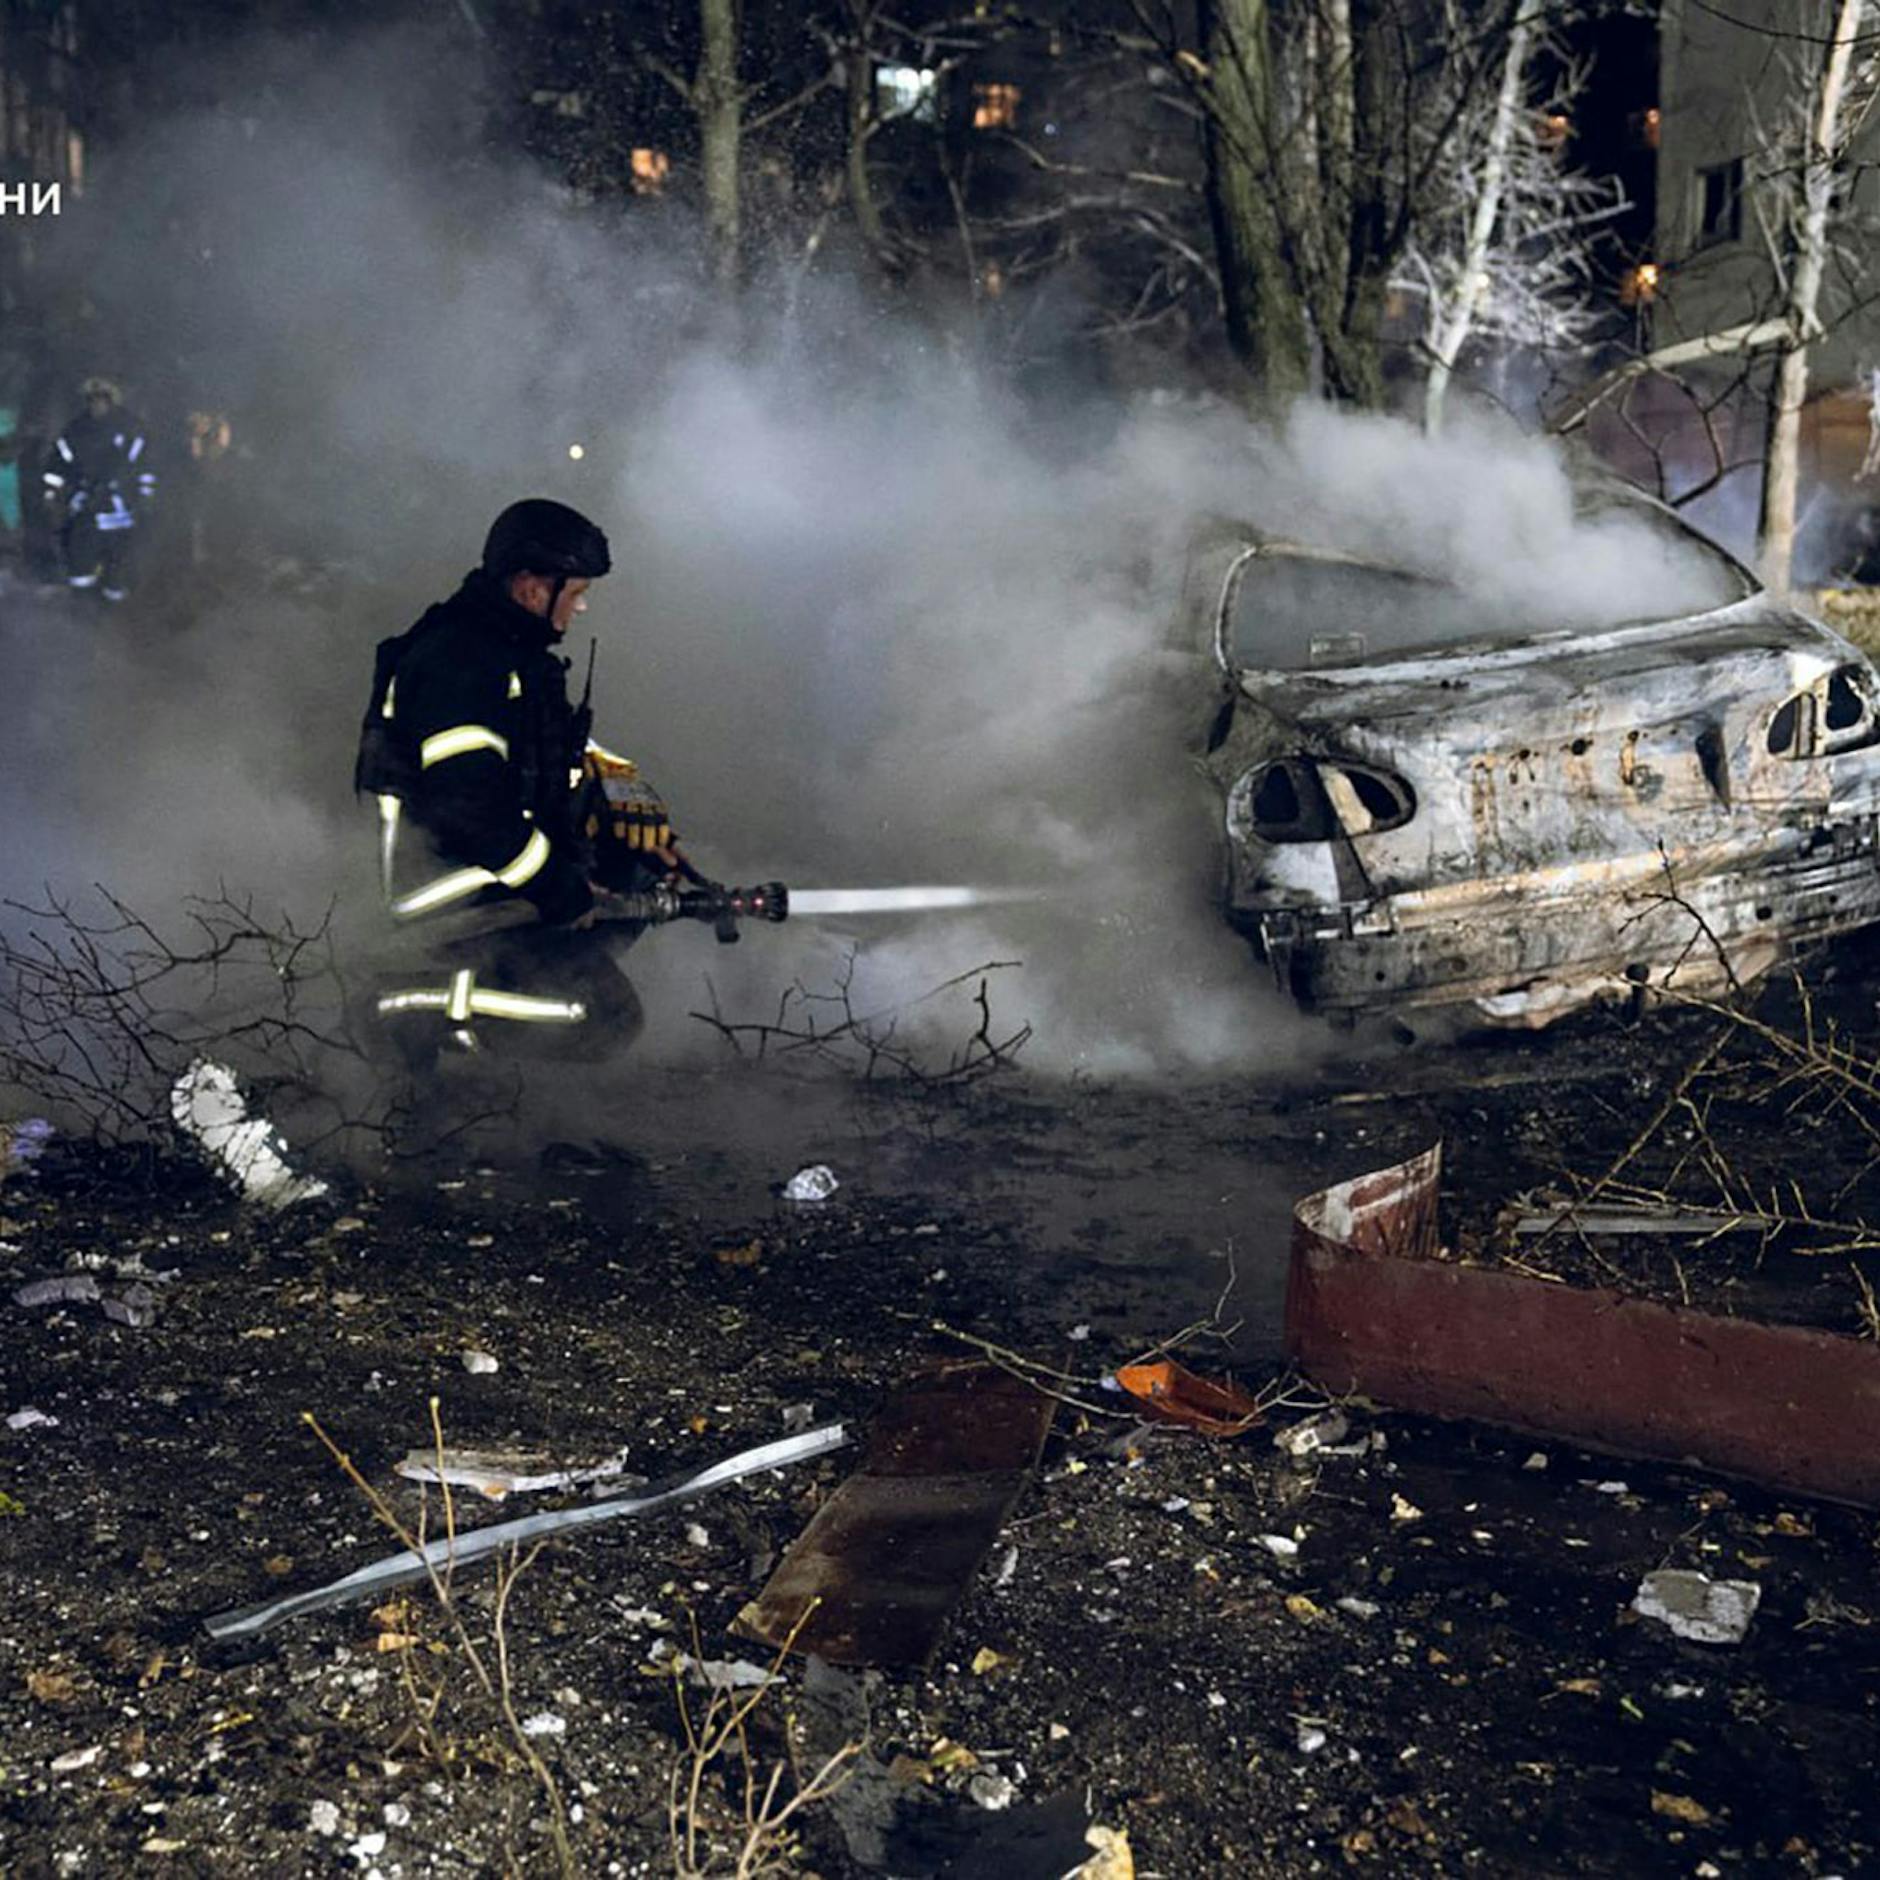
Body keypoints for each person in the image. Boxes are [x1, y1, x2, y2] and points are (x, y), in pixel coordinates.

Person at [355, 498, 682, 1062]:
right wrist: (558, 887)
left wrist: (616, 798)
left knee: (634, 868)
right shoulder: (459, 662)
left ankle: (511, 987)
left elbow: (529, 759)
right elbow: (468, 809)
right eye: (575, 593)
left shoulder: (507, 656)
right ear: (532, 587)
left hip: (488, 874)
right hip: (439, 893)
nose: (579, 609)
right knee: (600, 1017)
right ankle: (403, 1007)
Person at [41, 377, 157, 601]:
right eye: (92, 400)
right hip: (85, 511)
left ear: (111, 401)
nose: (96, 405)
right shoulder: (76, 430)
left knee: (118, 572)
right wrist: (52, 495)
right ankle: (82, 612)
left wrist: (144, 499)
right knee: (80, 566)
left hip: (121, 513)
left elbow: (145, 468)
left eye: (102, 399)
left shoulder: (130, 429)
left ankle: (116, 614)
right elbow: (57, 466)